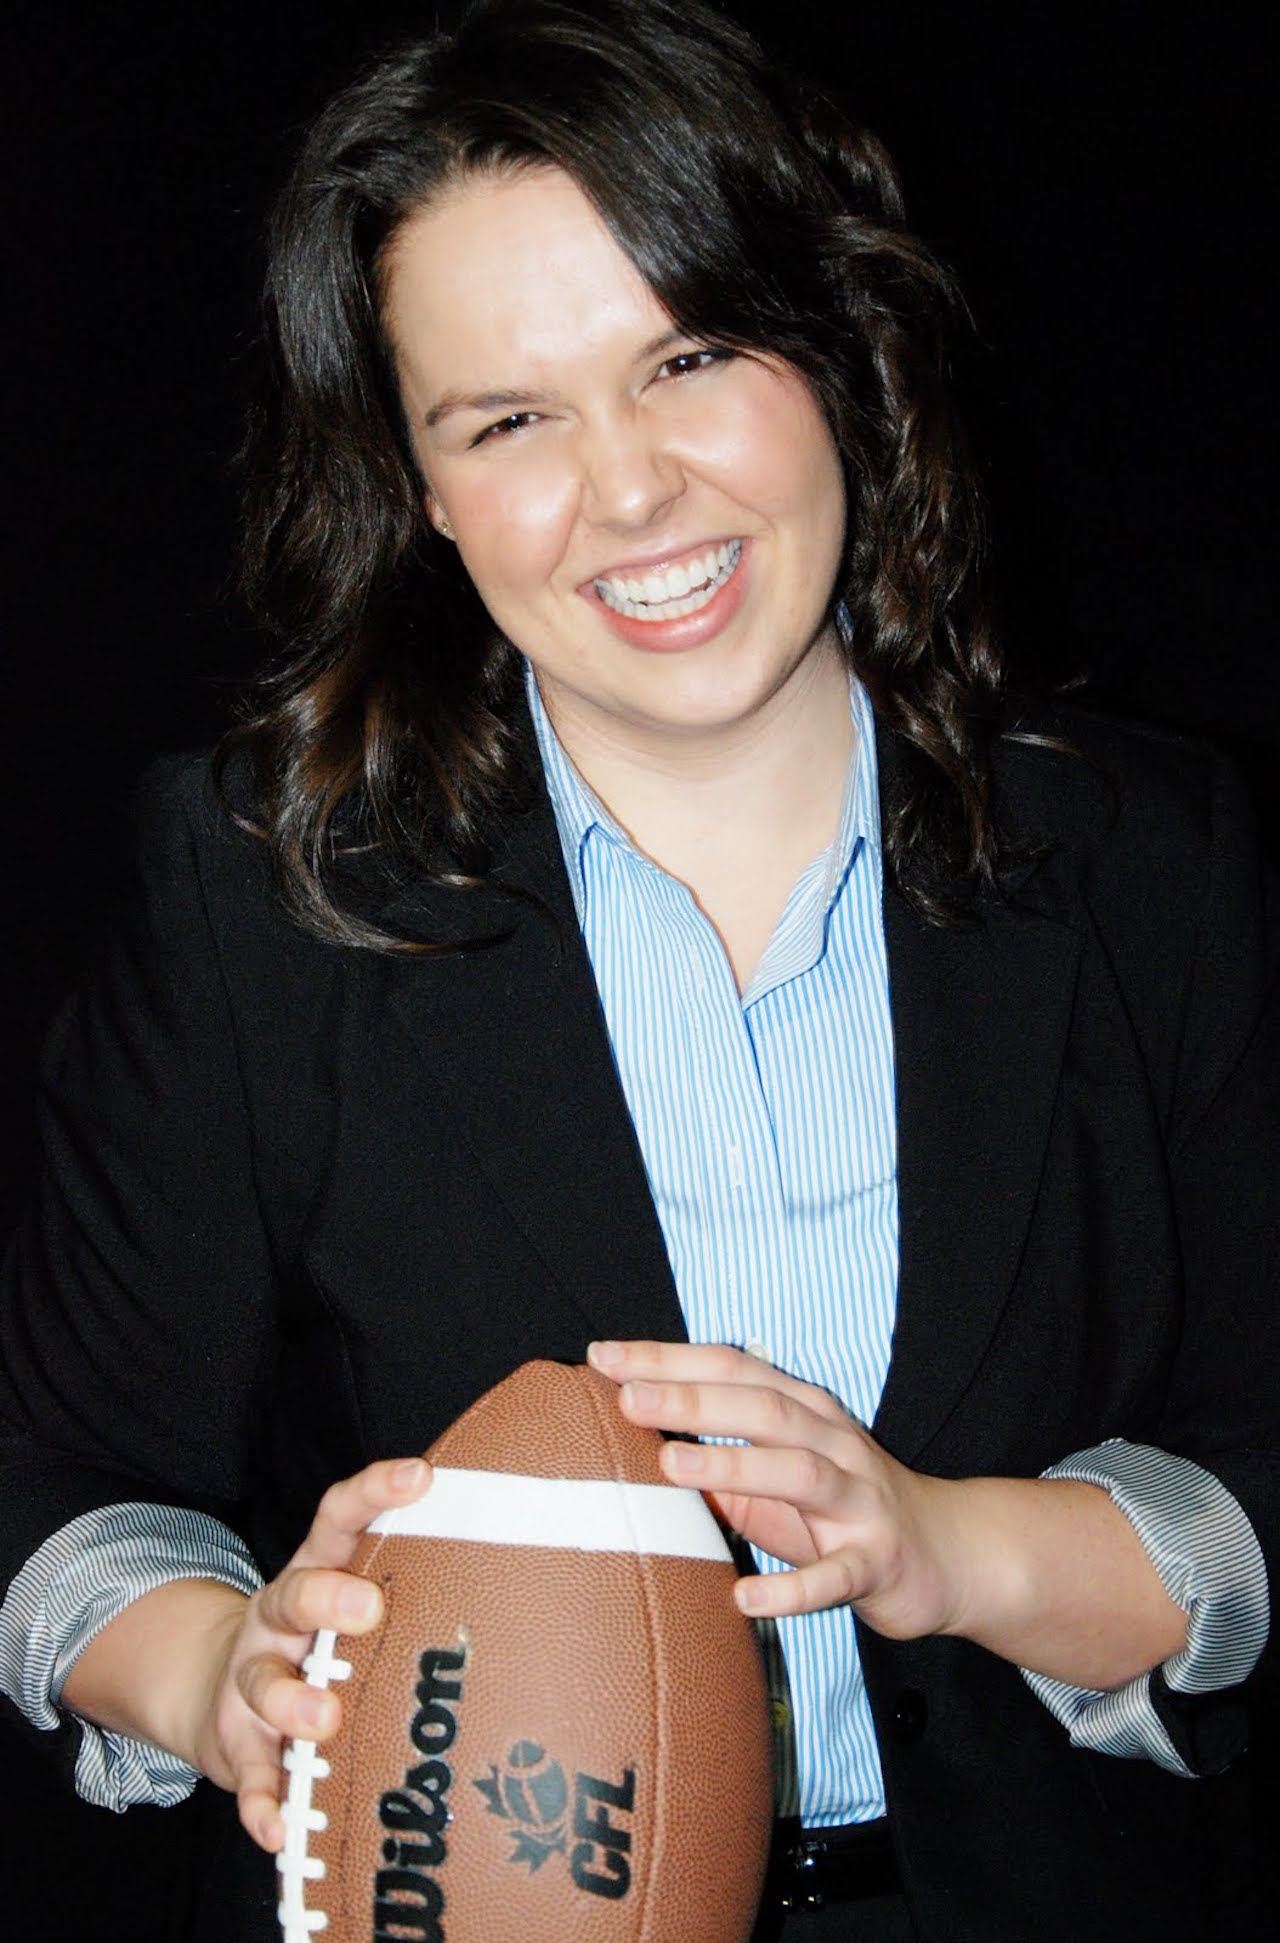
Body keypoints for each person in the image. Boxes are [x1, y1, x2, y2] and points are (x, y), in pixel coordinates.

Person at [1, 1, 1276, 1938]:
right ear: (422, 489)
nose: (629, 490)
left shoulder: (1152, 859)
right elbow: (56, 1487)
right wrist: (225, 1674)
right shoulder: (257, 888)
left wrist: (946, 1546)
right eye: (507, 419)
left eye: (686, 355)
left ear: (836, 353)